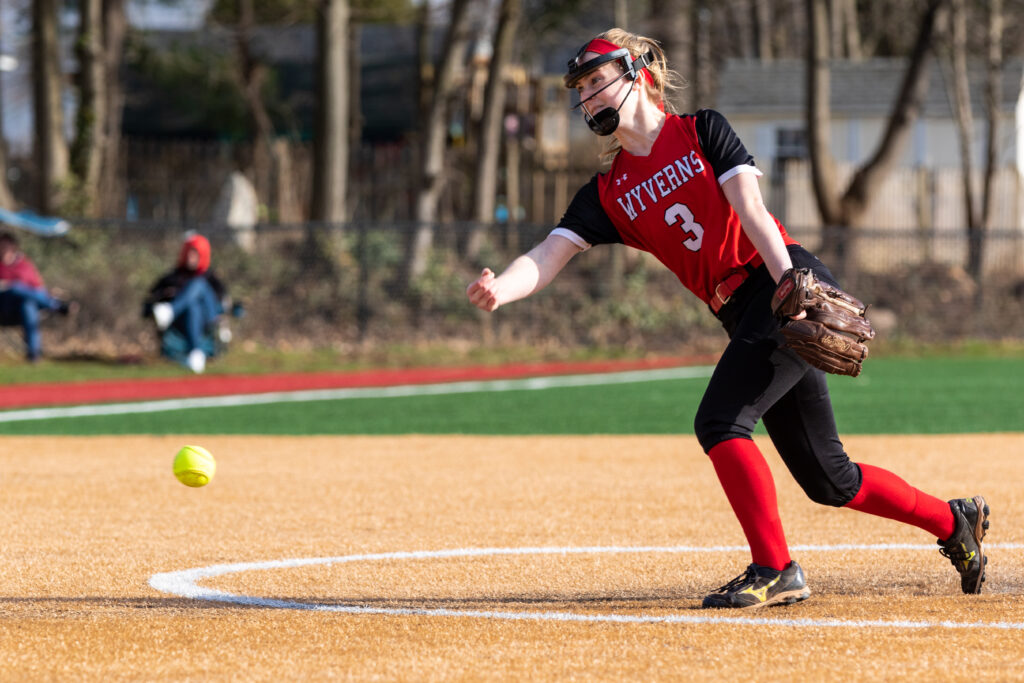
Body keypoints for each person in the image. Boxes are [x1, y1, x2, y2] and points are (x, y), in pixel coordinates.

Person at [466, 29, 990, 609]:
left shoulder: (699, 131)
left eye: (597, 80)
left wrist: (789, 283)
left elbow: (754, 213)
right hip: (739, 312)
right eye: (581, 88)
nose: (588, 96)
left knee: (720, 422)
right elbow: (547, 255)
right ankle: (954, 519)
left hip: (783, 284)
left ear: (636, 72)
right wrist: (502, 289)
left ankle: (774, 568)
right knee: (829, 478)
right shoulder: (607, 193)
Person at [144, 233, 232, 374]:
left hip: (208, 318)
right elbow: (151, 299)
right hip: (182, 321)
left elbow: (222, 299)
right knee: (192, 307)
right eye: (189, 253)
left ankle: (170, 311)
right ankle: (195, 353)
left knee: (198, 285)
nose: (191, 257)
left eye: (195, 253)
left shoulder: (210, 277)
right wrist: (168, 294)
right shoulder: (174, 276)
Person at [0, 231, 76, 361]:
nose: (3, 249)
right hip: (3, 307)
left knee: (28, 305)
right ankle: (56, 305)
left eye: (6, 246)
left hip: (20, 310)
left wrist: (47, 293)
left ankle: (33, 355)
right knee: (15, 287)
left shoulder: (24, 265)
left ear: (14, 247)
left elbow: (37, 287)